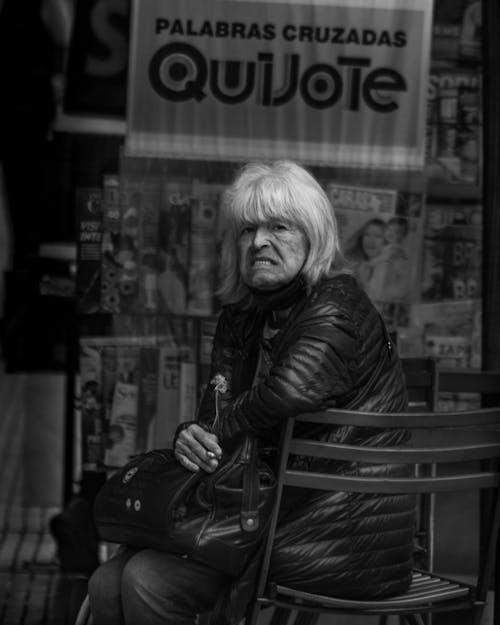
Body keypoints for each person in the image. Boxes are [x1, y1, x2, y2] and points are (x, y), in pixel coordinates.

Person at [88, 161, 415, 625]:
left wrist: (212, 429)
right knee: (106, 581)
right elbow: (216, 412)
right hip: (260, 510)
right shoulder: (243, 314)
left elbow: (286, 392)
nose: (259, 241)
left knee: (146, 579)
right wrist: (191, 435)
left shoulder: (338, 306)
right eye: (247, 230)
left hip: (332, 530)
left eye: (278, 227)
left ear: (314, 235)